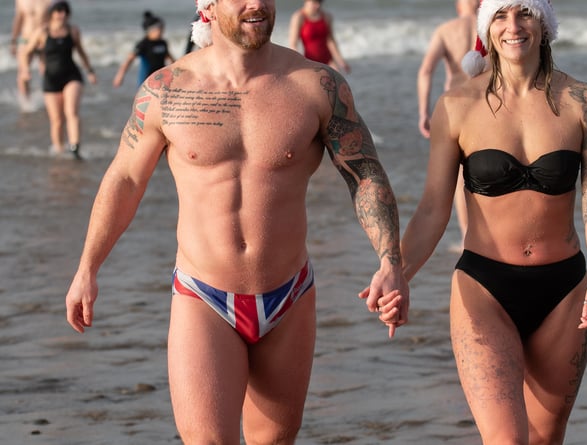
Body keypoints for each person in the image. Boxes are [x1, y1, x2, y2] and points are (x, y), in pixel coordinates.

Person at [65, 0, 409, 444]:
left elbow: (365, 173)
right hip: (203, 295)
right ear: (207, 5)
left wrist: (390, 260)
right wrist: (87, 268)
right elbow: (127, 178)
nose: (258, 4)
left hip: (289, 295)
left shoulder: (317, 85)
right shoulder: (168, 88)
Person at [400, 0, 587, 443]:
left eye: (524, 12)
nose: (512, 26)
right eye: (500, 15)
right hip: (484, 288)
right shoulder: (457, 105)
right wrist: (397, 272)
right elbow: (432, 208)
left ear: (544, 22)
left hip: (565, 290)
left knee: (545, 439)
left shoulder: (583, 101)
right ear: (487, 27)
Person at [417, 0, 480, 247]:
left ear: (458, 5)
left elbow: (425, 70)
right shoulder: (490, 27)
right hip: (485, 104)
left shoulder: (445, 30)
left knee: (461, 176)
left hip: (455, 107)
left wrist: (424, 111)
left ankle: (467, 234)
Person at [20, 0, 96, 158]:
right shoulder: (42, 32)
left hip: (72, 76)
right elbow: (27, 52)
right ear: (52, 13)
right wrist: (25, 70)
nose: (62, 14)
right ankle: (59, 150)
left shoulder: (73, 31)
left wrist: (89, 71)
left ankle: (75, 147)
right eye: (59, 11)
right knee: (56, 120)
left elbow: (81, 52)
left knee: (71, 112)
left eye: (65, 11)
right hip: (51, 79)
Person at [113, 11, 175, 89]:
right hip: (145, 80)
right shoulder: (143, 44)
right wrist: (120, 75)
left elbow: (171, 59)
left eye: (162, 28)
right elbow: (129, 59)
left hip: (161, 79)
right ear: (151, 30)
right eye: (160, 28)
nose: (162, 31)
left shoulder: (163, 43)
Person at [288, 0, 350, 73]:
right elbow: (293, 44)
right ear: (306, 1)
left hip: (328, 61)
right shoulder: (299, 17)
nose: (318, 5)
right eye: (314, 2)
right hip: (310, 62)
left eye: (320, 2)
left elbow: (330, 41)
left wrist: (341, 61)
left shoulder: (327, 16)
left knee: (337, 80)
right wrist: (299, 63)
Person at [10, 0, 51, 109]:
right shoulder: (21, 1)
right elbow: (18, 19)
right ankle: (26, 103)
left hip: (43, 40)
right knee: (23, 73)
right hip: (25, 38)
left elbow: (56, 18)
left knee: (47, 71)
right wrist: (13, 40)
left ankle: (50, 99)